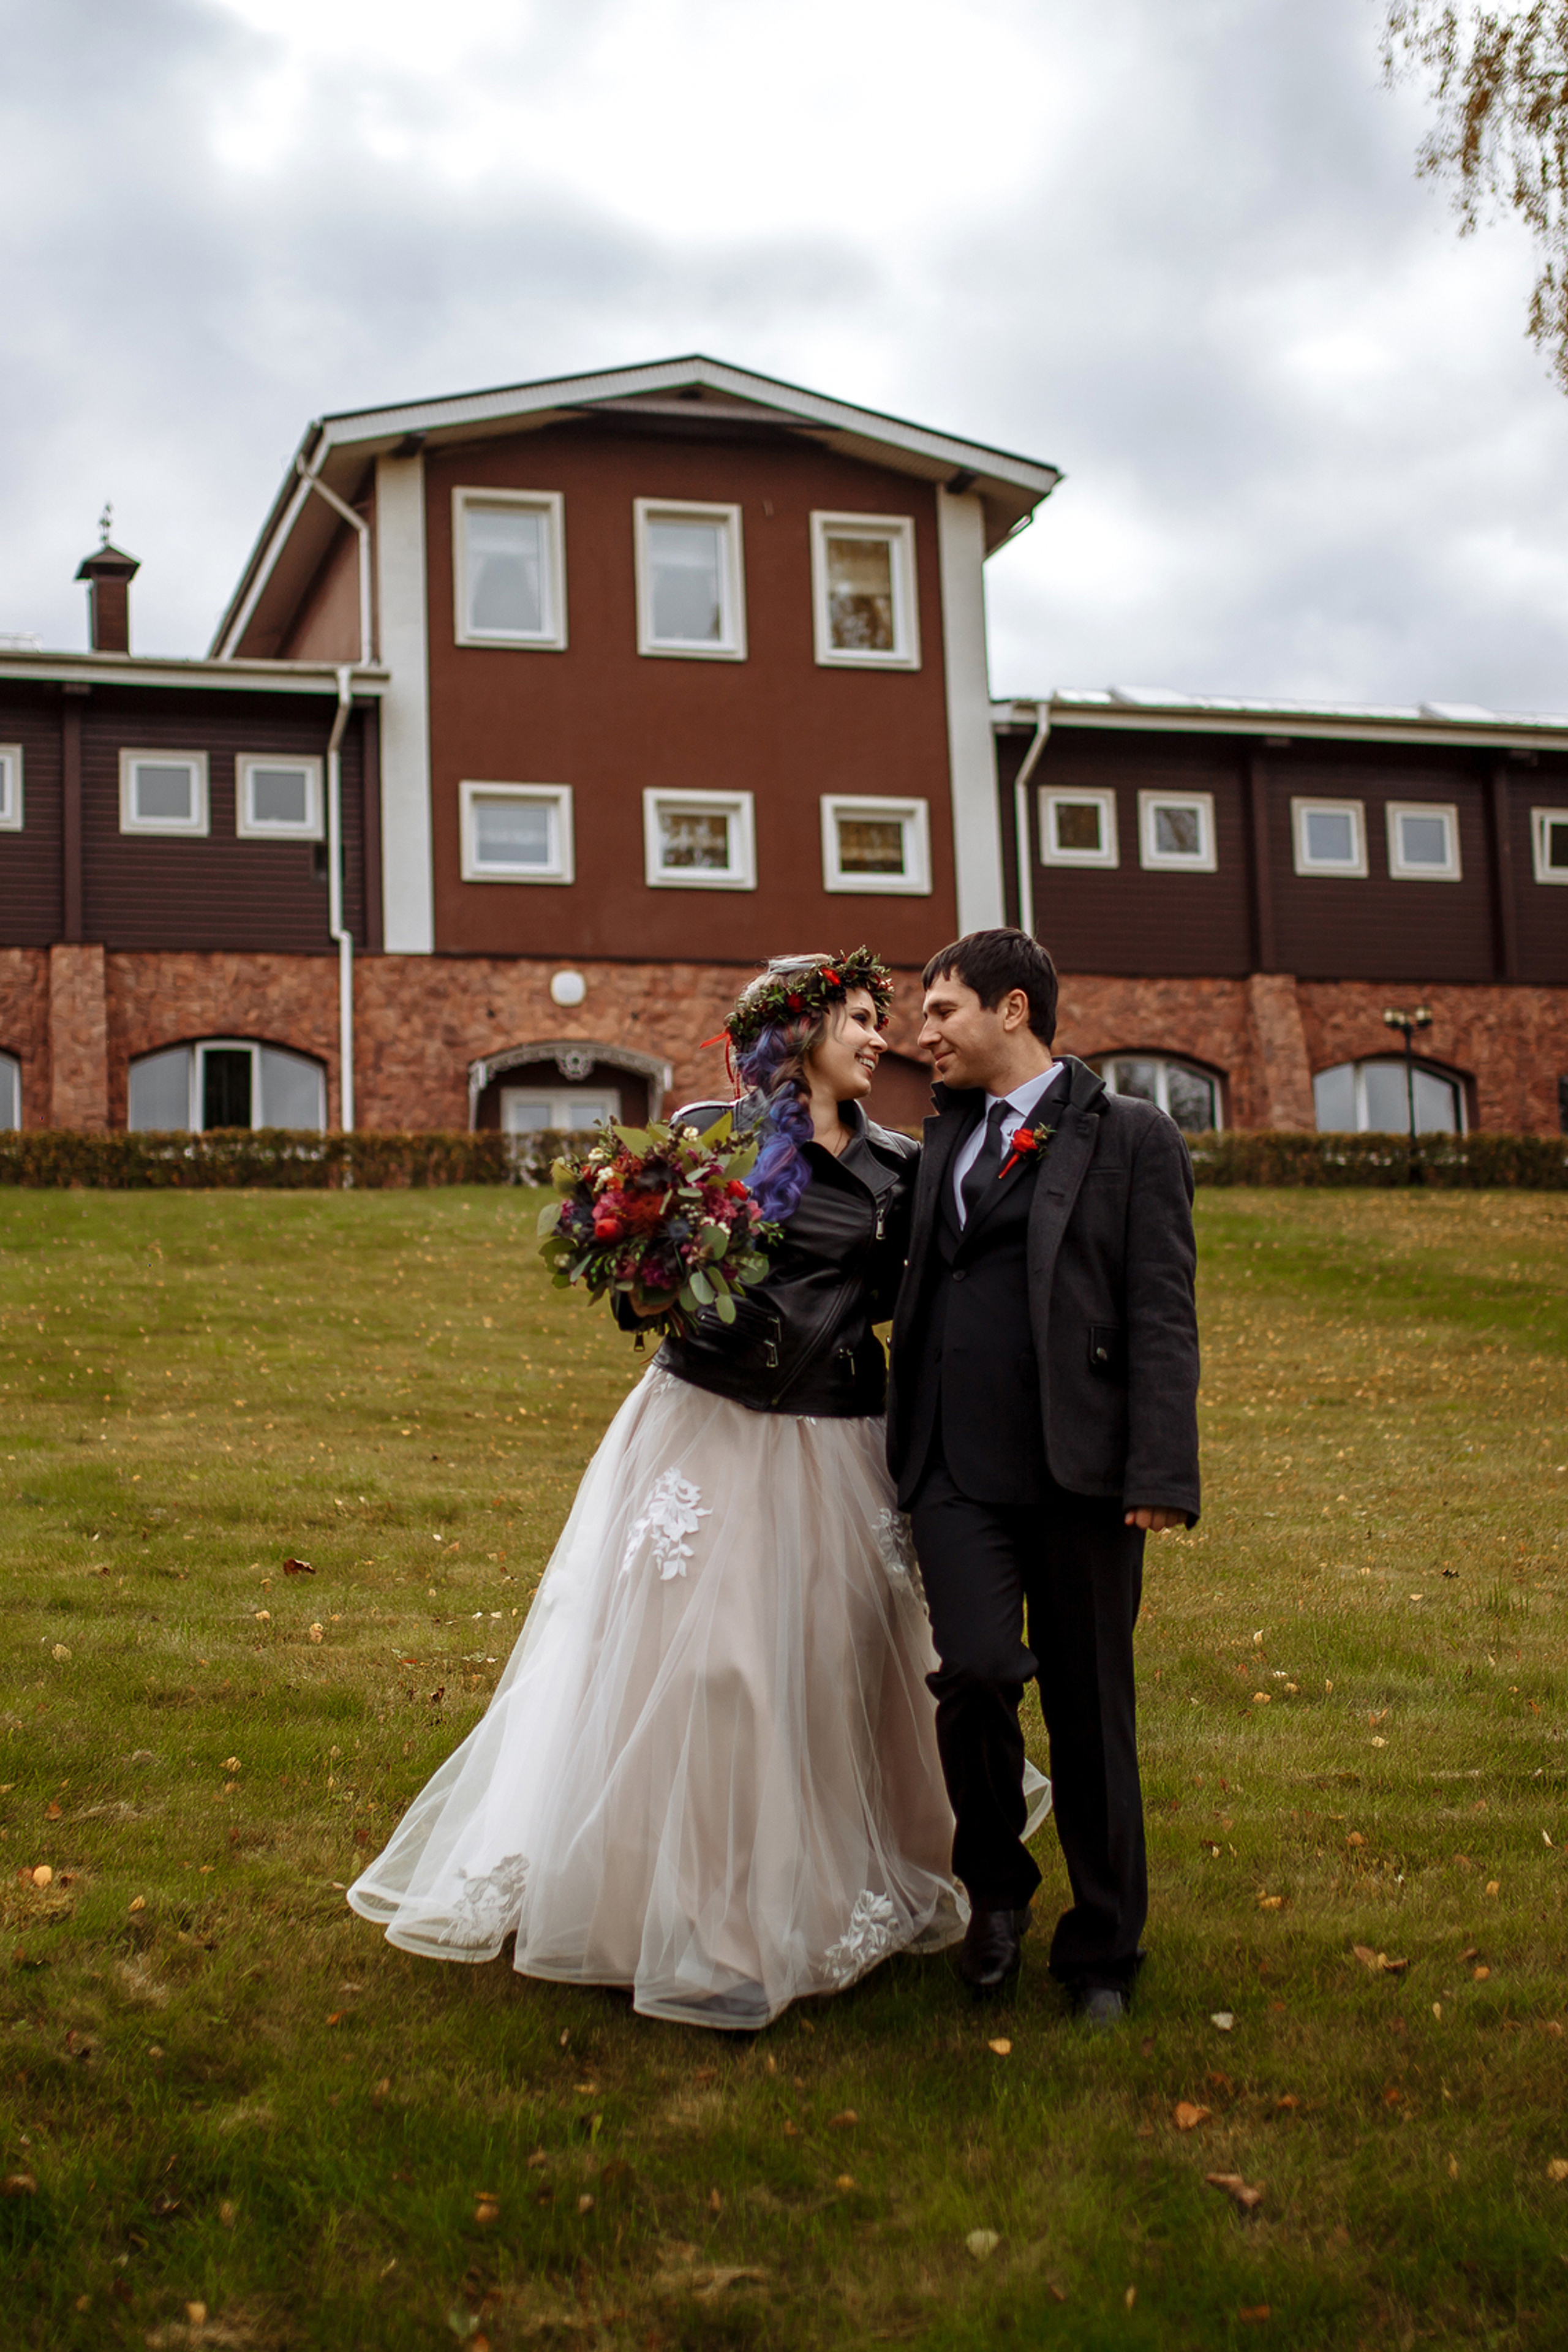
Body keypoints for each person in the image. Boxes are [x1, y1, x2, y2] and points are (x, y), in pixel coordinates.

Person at [350, 952, 1037, 2029]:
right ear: (799, 1033)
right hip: (704, 1434)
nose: (877, 1039)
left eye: (881, 1022)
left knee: (826, 1667)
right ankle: (698, 1921)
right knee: (713, 1670)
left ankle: (848, 1876)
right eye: (859, 1020)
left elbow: (939, 1302)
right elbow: (635, 1280)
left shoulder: (901, 1166)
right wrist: (638, 1269)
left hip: (838, 1443)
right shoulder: (708, 1141)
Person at [886, 928, 1200, 2024]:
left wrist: (1160, 1467)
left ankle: (1105, 1952)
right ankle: (998, 1897)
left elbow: (1162, 1310)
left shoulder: (1133, 1138)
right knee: (972, 1673)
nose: (921, 1033)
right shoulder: (939, 1144)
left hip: (1084, 1472)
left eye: (941, 1012)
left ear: (1012, 1011)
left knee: (1090, 1709)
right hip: (953, 1470)